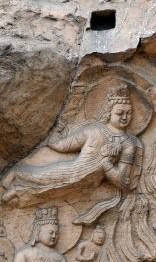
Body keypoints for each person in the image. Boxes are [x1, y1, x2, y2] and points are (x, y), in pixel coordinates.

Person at [2, 84, 141, 205]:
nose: (125, 117)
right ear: (109, 112)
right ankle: (14, 178)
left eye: (129, 113)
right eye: (119, 113)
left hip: (88, 184)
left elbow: (123, 182)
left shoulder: (128, 144)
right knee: (40, 178)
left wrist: (106, 163)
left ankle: (17, 190)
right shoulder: (94, 131)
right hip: (71, 171)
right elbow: (63, 146)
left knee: (49, 192)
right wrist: (56, 131)